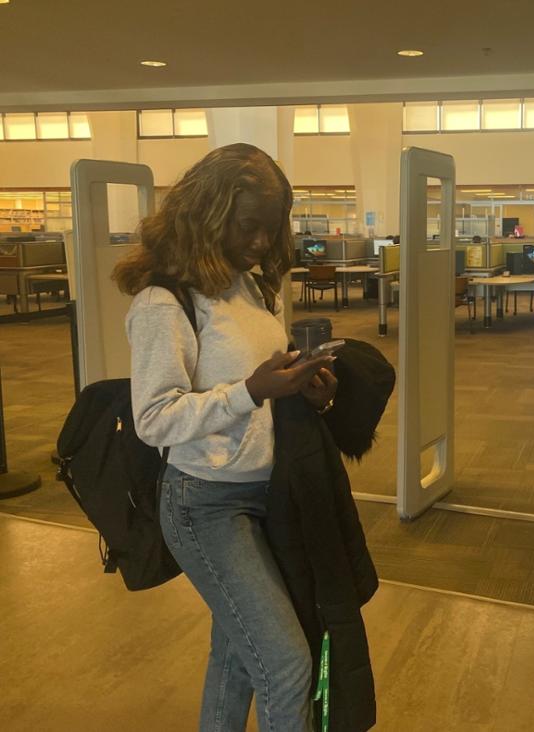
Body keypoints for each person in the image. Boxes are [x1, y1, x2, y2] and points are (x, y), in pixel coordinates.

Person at [113, 143, 337, 732]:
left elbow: (261, 384)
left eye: (272, 227)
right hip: (205, 504)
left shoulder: (252, 289)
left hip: (267, 495)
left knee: (240, 656)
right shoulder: (164, 302)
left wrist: (307, 388)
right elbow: (154, 419)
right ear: (209, 213)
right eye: (249, 226)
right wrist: (252, 391)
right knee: (287, 668)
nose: (262, 242)